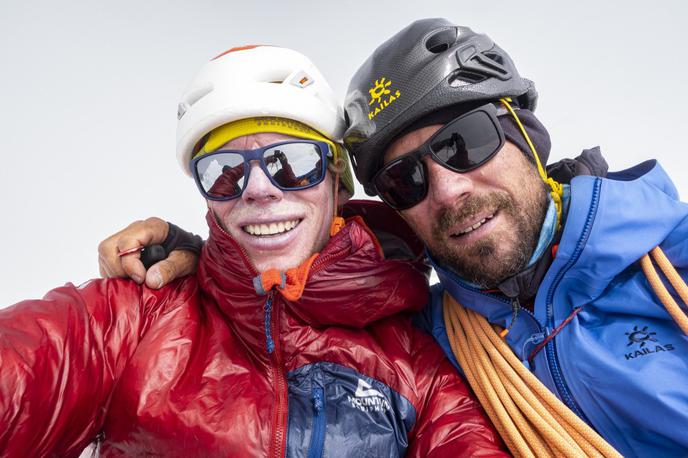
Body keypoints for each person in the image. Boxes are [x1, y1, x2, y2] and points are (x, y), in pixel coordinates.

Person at [111, 19, 688, 457]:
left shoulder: (675, 258)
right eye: (405, 180)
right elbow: (313, 307)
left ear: (527, 135)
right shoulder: (433, 340)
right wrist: (217, 262)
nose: (447, 189)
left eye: (464, 143)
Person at [0, 45, 508, 457]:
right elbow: (26, 369)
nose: (259, 189)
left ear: (337, 183)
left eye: (292, 162)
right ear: (208, 198)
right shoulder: (135, 316)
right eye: (225, 171)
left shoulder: (417, 366)